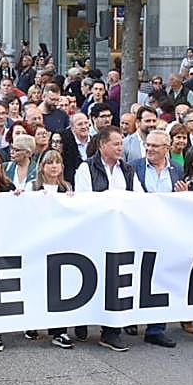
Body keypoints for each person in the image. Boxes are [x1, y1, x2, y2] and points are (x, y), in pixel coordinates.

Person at [72, 126, 133, 352]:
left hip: (118, 236)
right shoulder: (86, 169)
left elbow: (138, 200)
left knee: (114, 281)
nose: (120, 148)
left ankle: (111, 332)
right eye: (116, 144)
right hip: (93, 235)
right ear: (102, 145)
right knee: (88, 279)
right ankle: (81, 319)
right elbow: (84, 201)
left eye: (122, 144)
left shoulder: (127, 170)